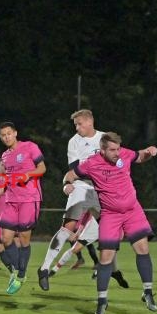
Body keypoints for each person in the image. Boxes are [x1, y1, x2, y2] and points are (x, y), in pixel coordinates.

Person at [64, 132, 157, 314]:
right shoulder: (91, 163)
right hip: (111, 214)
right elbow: (70, 175)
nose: (117, 153)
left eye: (118, 149)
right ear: (103, 150)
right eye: (113, 150)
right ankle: (101, 301)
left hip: (133, 211)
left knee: (142, 249)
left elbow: (139, 156)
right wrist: (66, 185)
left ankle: (147, 292)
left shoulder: (124, 154)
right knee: (106, 258)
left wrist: (149, 152)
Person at [37, 109, 128, 291]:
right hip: (83, 187)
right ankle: (44, 268)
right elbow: (74, 169)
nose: (77, 128)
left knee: (112, 232)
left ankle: (114, 270)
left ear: (90, 121)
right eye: (75, 125)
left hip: (103, 191)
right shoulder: (74, 142)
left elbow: (119, 162)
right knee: (68, 226)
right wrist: (66, 183)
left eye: (79, 124)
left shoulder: (106, 138)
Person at [0, 121, 46, 295]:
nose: (6, 137)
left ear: (15, 133)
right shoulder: (5, 156)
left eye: (9, 133)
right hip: (11, 199)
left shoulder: (30, 147)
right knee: (5, 239)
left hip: (29, 199)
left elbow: (42, 168)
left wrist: (28, 174)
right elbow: (6, 180)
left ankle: (21, 275)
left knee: (23, 239)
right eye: (3, 135)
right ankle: (16, 269)